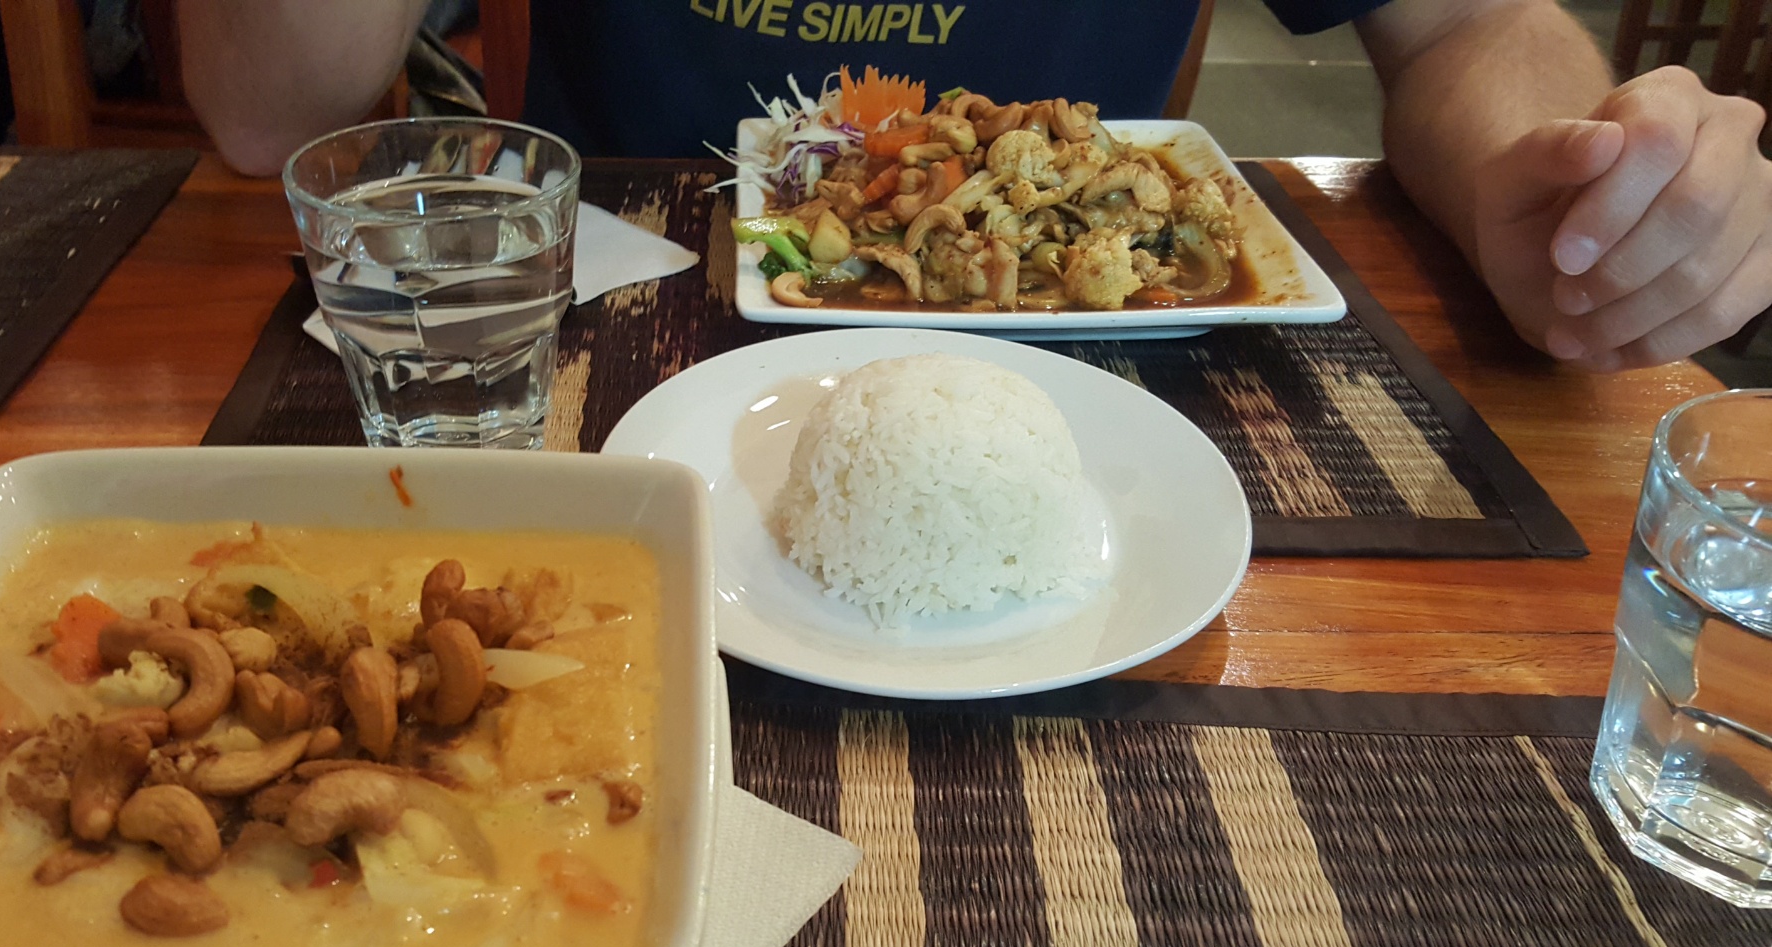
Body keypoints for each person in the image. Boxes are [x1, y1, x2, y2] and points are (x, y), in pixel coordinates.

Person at [176, 0, 1772, 373]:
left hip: (1119, 392)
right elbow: (264, 117)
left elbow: (1472, 23)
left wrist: (1585, 186)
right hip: (605, 354)